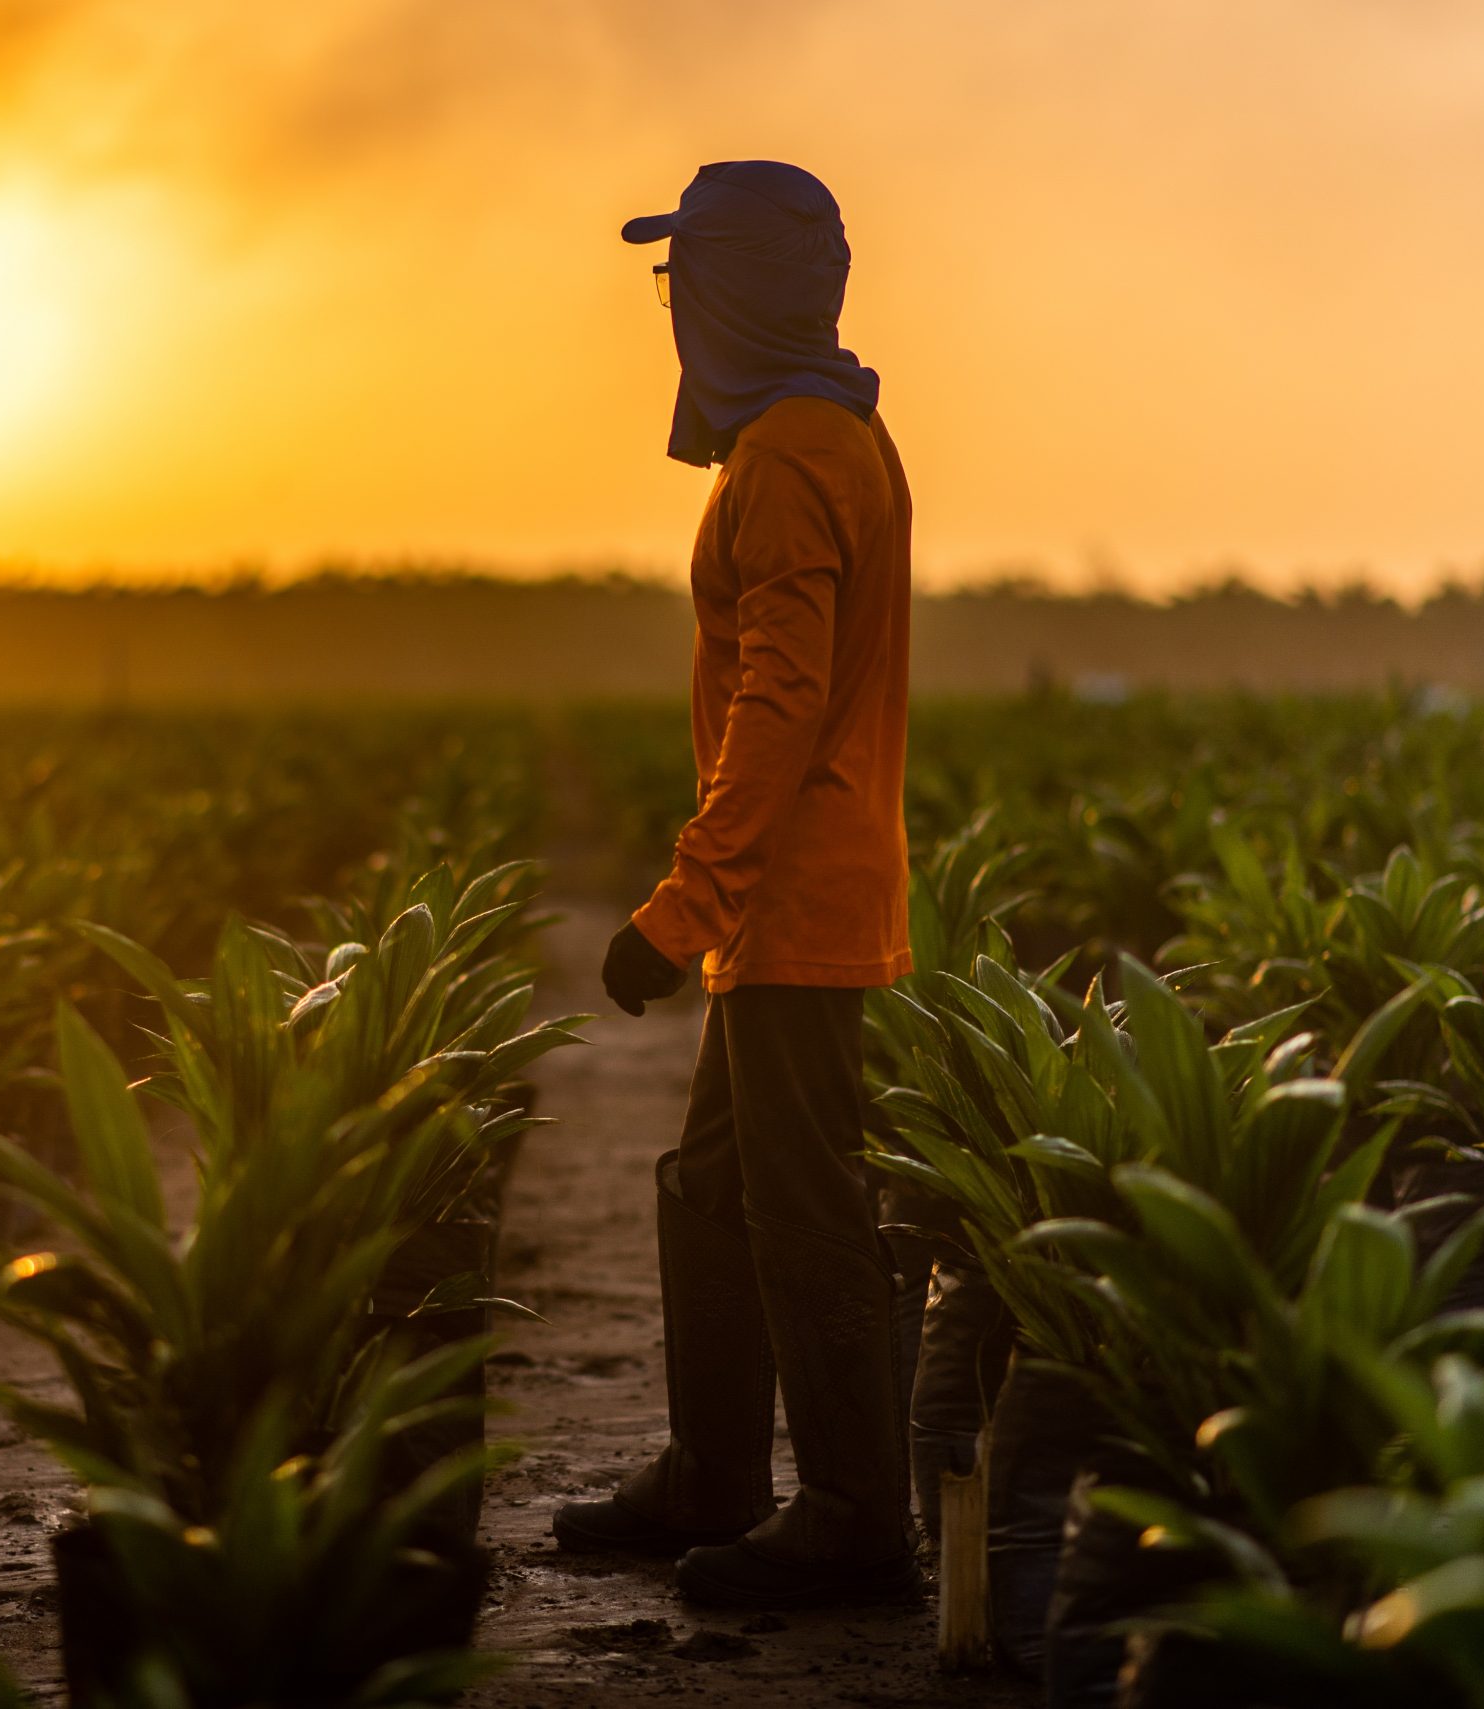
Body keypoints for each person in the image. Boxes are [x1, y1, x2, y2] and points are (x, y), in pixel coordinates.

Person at [550, 160, 915, 1609]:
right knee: (712, 1187)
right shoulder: (834, 434)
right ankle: (713, 1472)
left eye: (682, 281)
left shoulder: (788, 459)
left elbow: (781, 705)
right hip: (797, 895)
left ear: (736, 293)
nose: (671, 309)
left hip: (796, 903)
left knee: (804, 1206)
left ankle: (853, 1517)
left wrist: (679, 910)